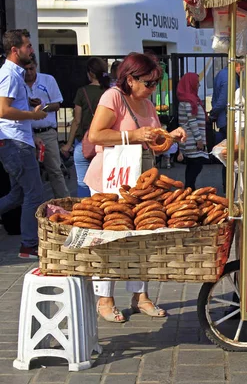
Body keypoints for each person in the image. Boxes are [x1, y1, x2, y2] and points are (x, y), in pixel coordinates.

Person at [84, 53, 186, 322]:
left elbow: (153, 141)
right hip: (110, 180)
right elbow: (96, 135)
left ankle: (140, 295)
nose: (153, 88)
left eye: (156, 83)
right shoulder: (113, 97)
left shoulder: (147, 103)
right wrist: (133, 136)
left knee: (141, 237)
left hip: (139, 182)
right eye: (149, 83)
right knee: (108, 238)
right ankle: (105, 298)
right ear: (130, 79)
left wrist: (170, 137)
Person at [0, 29, 47, 259]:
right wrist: (33, 115)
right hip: (15, 142)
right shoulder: (10, 74)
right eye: (27, 46)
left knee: (18, 195)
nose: (31, 49)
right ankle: (29, 245)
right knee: (35, 193)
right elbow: (4, 110)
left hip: (16, 141)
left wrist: (27, 102)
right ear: (14, 50)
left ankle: (28, 243)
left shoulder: (14, 74)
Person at [61, 57, 110, 197]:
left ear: (90, 73)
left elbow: (77, 120)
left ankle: (85, 213)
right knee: (105, 181)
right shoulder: (111, 92)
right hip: (106, 143)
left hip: (84, 142)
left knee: (83, 182)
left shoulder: (82, 92)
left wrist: (68, 144)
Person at [24, 55, 70, 199]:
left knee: (55, 171)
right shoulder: (18, 82)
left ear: (36, 66)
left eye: (31, 68)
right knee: (30, 173)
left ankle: (64, 202)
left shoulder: (48, 80)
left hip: (47, 132)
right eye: (25, 70)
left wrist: (43, 106)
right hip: (27, 133)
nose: (29, 72)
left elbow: (57, 105)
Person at [177, 73, 209, 189]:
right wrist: (199, 140)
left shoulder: (192, 99)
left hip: (193, 139)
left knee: (193, 165)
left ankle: (189, 189)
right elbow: (192, 121)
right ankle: (189, 189)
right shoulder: (188, 101)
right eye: (197, 82)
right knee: (196, 164)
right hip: (192, 139)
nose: (199, 85)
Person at [211, 63, 240, 189]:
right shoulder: (228, 76)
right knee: (230, 155)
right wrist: (213, 114)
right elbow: (225, 100)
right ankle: (228, 187)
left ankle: (228, 186)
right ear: (237, 64)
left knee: (229, 155)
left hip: (225, 119)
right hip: (228, 120)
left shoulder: (223, 74)